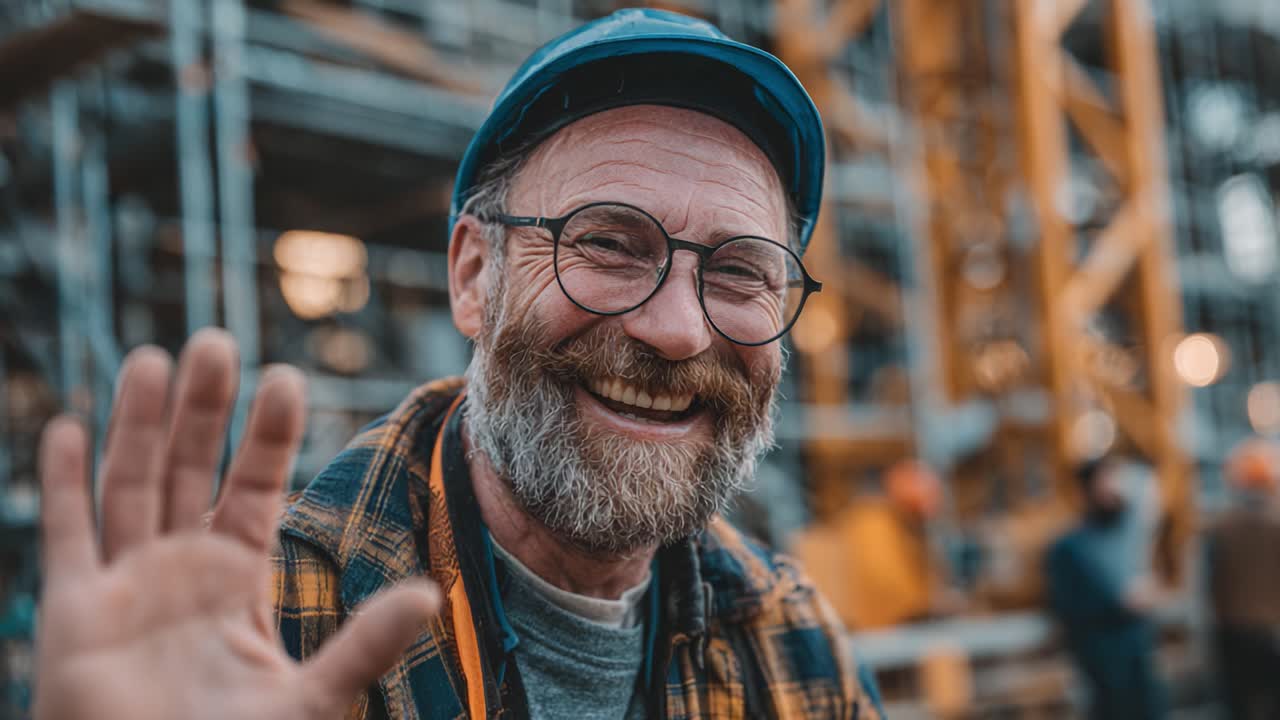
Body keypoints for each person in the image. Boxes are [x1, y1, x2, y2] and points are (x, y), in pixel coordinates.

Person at [32, 9, 884, 720]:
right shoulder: (261, 620)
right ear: (475, 277)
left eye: (739, 272)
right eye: (609, 244)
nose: (677, 330)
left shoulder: (789, 637)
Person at [1045, 457, 1167, 720]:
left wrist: (1148, 593)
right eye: (1106, 482)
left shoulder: (1126, 539)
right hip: (1104, 667)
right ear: (1087, 490)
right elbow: (1066, 607)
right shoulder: (1069, 548)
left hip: (1138, 659)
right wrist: (1118, 603)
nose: (1115, 490)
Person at [1208, 439, 1280, 720]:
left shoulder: (1220, 526)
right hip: (1271, 629)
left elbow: (1211, 583)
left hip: (1233, 631)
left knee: (1239, 704)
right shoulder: (1275, 521)